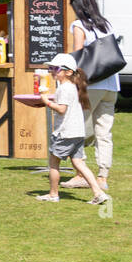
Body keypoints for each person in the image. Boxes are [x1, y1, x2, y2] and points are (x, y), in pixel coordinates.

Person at [36, 54, 109, 204]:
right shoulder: (72, 87)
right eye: (50, 68)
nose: (52, 71)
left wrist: (46, 102)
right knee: (79, 163)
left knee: (54, 163)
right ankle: (98, 192)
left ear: (68, 72)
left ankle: (53, 194)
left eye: (56, 68)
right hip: (77, 133)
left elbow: (62, 109)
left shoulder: (64, 88)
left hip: (64, 133)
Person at [65, 0, 119, 191]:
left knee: (79, 127)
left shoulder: (78, 25)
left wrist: (72, 80)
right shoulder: (107, 23)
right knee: (104, 132)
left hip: (92, 85)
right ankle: (102, 177)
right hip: (111, 84)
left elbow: (78, 56)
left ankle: (81, 174)